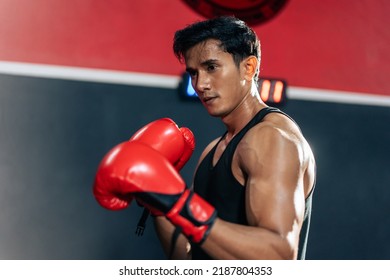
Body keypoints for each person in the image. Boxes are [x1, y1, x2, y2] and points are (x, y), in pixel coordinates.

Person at [93, 16, 316, 260]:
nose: (200, 84)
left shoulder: (272, 139)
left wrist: (180, 203)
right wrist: (159, 205)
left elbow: (279, 256)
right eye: (193, 72)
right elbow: (188, 259)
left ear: (248, 67)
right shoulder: (213, 151)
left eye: (211, 67)